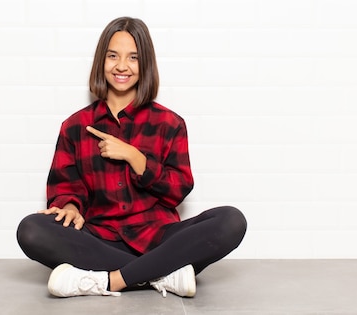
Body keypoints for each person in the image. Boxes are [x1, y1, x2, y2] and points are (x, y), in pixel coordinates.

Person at [16, 16, 247, 298]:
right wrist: (71, 207)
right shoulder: (75, 126)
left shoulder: (170, 123)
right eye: (113, 56)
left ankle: (109, 281)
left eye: (133, 58)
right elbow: (65, 187)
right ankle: (159, 275)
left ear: (145, 64)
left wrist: (136, 158)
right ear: (102, 61)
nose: (122, 66)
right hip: (98, 239)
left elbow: (178, 190)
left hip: (160, 239)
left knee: (231, 220)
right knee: (30, 229)